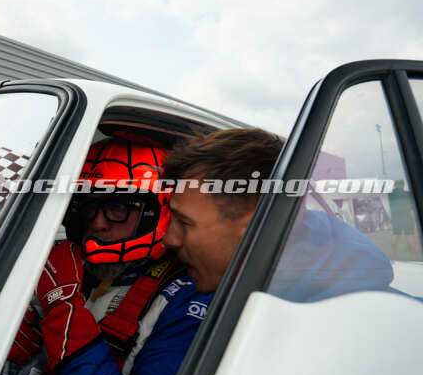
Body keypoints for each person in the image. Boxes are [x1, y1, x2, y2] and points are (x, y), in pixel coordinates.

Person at [5, 134, 213, 375]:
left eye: (117, 207)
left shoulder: (189, 294)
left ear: (154, 211)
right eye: (89, 206)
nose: (97, 223)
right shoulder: (70, 268)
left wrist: (63, 308)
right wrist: (11, 340)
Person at [162, 128, 394, 301]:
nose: (169, 239)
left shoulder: (328, 328)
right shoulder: (265, 296)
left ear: (256, 230)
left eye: (184, 222)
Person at [388, 179, 417, 259]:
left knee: (395, 235)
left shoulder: (390, 195)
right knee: (410, 236)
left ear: (394, 185)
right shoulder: (408, 194)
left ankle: (394, 254)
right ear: (403, 185)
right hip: (407, 217)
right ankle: (413, 255)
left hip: (396, 218)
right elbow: (412, 206)